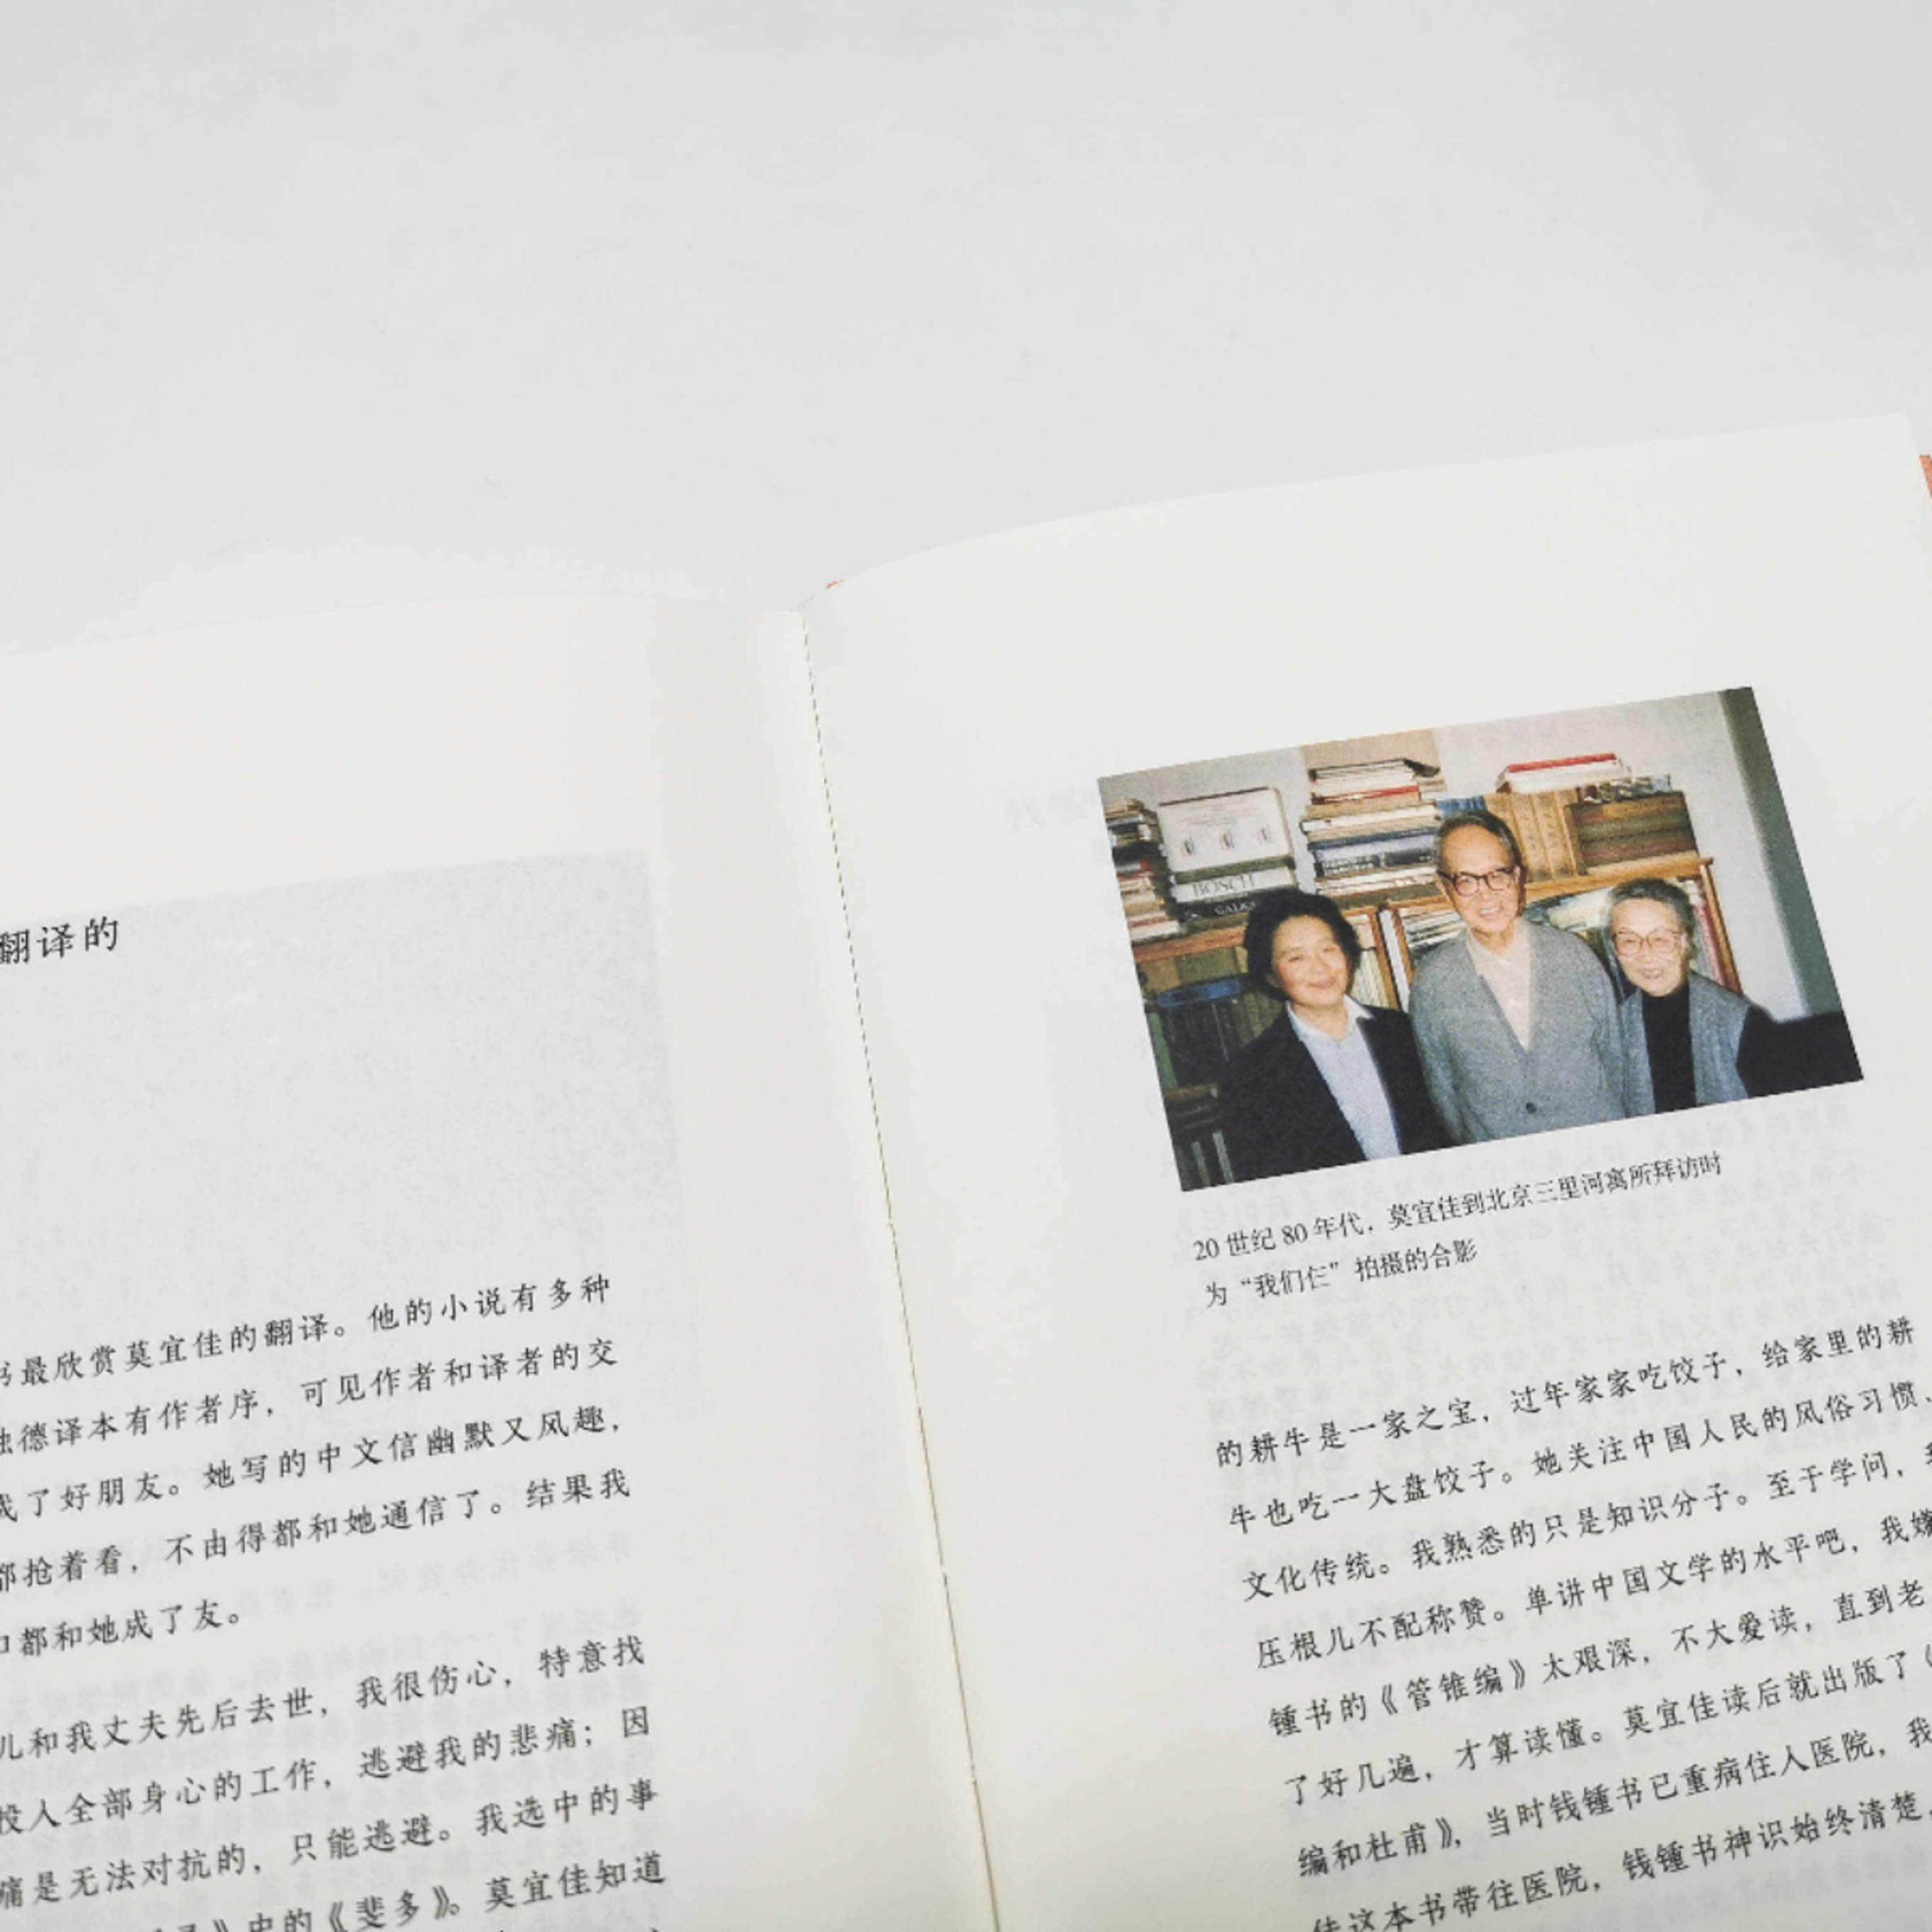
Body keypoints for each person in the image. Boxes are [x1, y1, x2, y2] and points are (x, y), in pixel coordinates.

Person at [1409, 811, 1624, 1142]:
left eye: (1498, 875)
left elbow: (1617, 1059)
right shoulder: (1432, 983)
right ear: (1445, 889)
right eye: (1466, 880)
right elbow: (1444, 1093)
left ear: (1517, 877)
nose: (1486, 894)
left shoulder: (1574, 956)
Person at [1219, 889, 1447, 1179]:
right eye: (1296, 958)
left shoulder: (1404, 1032)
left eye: (1328, 949)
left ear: (1347, 953)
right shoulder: (1248, 1075)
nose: (1320, 968)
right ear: (1270, 974)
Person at [1606, 876, 1771, 1111]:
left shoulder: (1741, 1023)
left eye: (1660, 939)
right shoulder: (1614, 1030)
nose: (1645, 955)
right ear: (1615, 949)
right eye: (1629, 940)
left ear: (1685, 942)